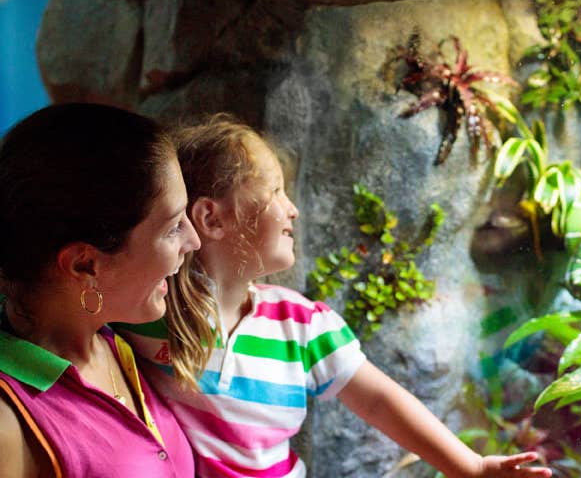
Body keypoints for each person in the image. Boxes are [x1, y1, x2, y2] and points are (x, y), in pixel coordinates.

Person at [118, 114, 552, 478]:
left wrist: (470, 468)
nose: (293, 208)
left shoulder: (302, 325)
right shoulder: (148, 311)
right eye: (275, 191)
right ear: (211, 218)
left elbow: (380, 400)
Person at [0, 103, 201, 477]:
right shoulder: (9, 425)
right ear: (84, 265)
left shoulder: (110, 340)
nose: (194, 240)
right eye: (173, 226)